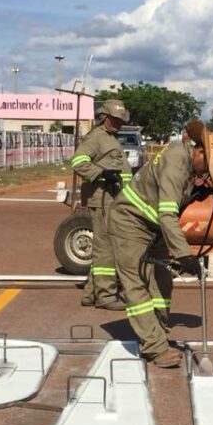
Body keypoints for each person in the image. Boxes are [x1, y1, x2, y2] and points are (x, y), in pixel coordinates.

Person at [106, 120, 213, 368]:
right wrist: (185, 255)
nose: (204, 173)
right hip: (129, 222)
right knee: (136, 285)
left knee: (162, 281)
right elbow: (166, 214)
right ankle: (154, 348)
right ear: (200, 151)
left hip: (153, 228)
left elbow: (170, 204)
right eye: (205, 167)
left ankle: (158, 333)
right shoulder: (176, 161)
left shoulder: (187, 165)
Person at [72, 99, 133, 311]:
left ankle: (90, 293)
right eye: (115, 120)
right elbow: (77, 162)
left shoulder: (110, 138)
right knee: (106, 249)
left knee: (105, 248)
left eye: (121, 121)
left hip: (113, 199)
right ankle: (105, 297)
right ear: (105, 118)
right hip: (103, 199)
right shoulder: (97, 138)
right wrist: (101, 174)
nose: (119, 124)